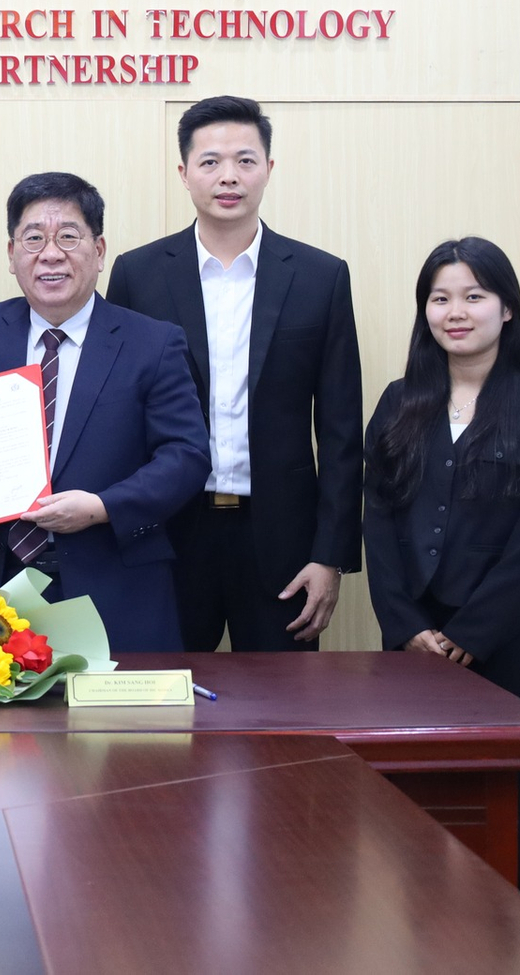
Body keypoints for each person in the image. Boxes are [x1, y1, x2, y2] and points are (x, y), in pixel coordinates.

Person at [363, 236, 520, 923]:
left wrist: (469, 635)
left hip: (506, 644)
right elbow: (378, 524)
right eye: (440, 298)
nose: (455, 312)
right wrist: (407, 627)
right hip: (414, 650)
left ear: (506, 308)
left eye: (474, 296)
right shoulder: (400, 402)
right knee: (423, 808)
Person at [105, 96, 362, 652]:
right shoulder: (138, 274)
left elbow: (342, 431)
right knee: (163, 695)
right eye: (211, 162)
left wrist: (330, 556)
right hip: (168, 534)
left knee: (283, 703)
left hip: (282, 541)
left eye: (245, 160)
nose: (229, 176)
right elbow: (116, 414)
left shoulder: (320, 277)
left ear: (268, 168)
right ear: (184, 173)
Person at [0, 172, 210, 652]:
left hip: (115, 586)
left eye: (68, 237)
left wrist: (102, 507)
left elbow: (186, 456)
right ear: (12, 254)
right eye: (33, 238)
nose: (50, 254)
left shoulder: (152, 342)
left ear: (99, 251)